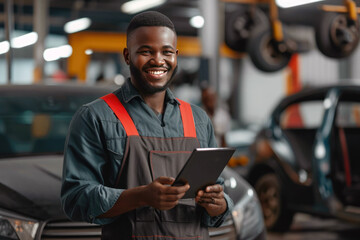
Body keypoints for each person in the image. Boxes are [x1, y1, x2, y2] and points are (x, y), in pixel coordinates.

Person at [61, 11, 233, 240]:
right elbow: (75, 198)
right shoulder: (95, 117)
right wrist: (141, 197)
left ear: (176, 56)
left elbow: (217, 191)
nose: (158, 60)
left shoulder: (199, 119)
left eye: (167, 52)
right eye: (146, 51)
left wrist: (219, 204)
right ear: (127, 55)